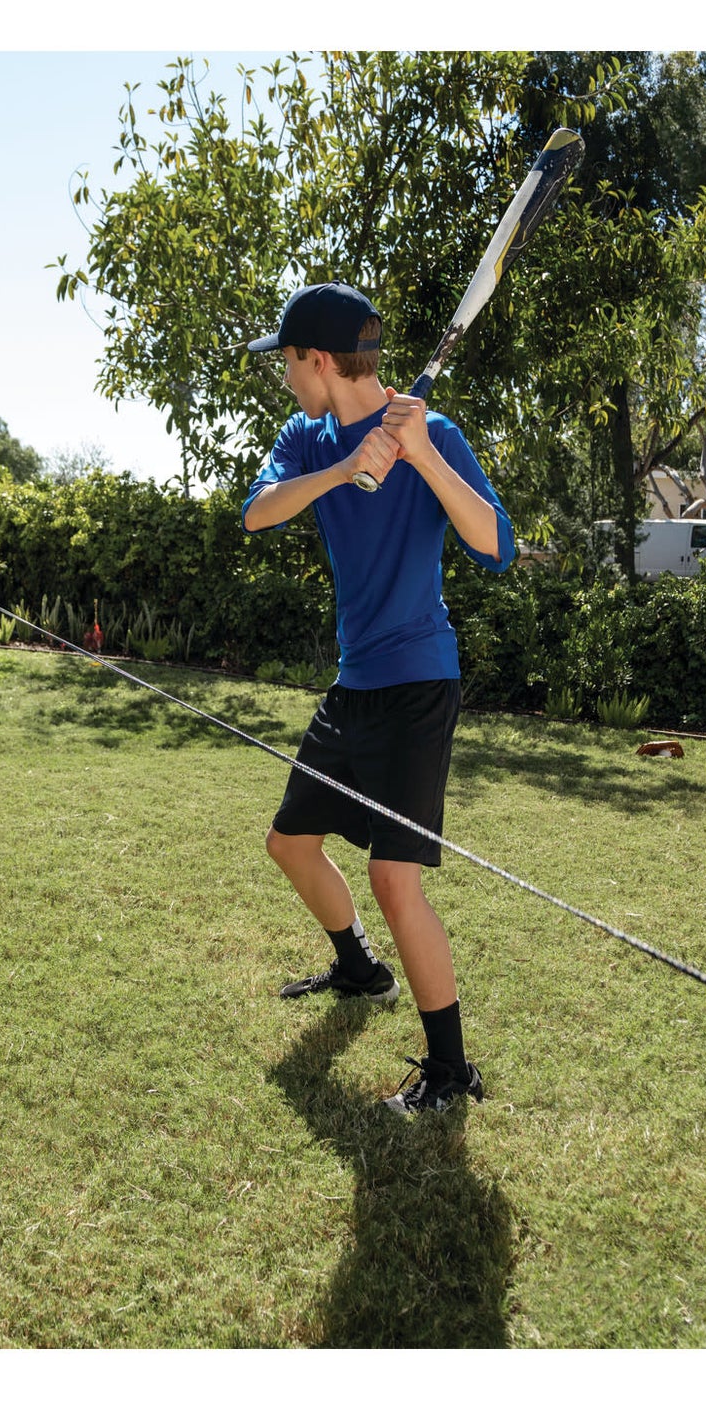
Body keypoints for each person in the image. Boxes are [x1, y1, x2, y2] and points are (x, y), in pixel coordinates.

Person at [242, 283, 516, 1115]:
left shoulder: (429, 430)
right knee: (290, 843)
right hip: (353, 683)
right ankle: (359, 969)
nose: (285, 378)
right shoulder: (305, 437)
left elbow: (497, 547)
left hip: (418, 683)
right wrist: (339, 470)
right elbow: (256, 514)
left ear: (317, 360)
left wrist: (423, 457)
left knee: (395, 877)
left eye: (287, 363)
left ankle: (449, 1071)